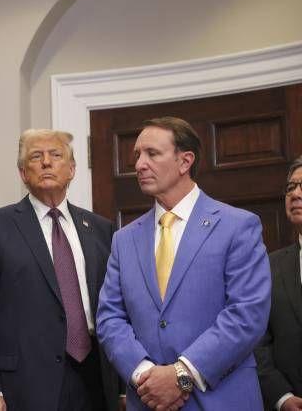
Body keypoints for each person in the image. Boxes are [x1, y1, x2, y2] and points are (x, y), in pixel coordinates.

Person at [96, 116, 270, 410]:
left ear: (185, 161)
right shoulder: (123, 240)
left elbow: (247, 314)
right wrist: (144, 375)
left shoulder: (238, 226)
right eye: (137, 155)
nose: (139, 164)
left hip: (222, 400)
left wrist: (181, 375)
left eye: (152, 153)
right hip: (148, 400)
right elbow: (109, 318)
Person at [0, 129, 122, 411]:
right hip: (25, 384)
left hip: (95, 379)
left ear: (72, 169)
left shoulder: (101, 229)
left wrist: (123, 387)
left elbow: (118, 308)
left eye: (55, 155)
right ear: (22, 173)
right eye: (35, 157)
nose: (46, 162)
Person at [255, 156, 302, 411]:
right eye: (290, 187)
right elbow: (257, 339)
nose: (295, 194)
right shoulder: (270, 266)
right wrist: (282, 397)